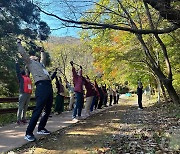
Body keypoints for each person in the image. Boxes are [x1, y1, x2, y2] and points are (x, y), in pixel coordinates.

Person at [17, 39, 56, 142]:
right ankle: (28, 133)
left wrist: (42, 50)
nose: (36, 57)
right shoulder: (30, 63)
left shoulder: (41, 64)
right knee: (38, 110)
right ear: (30, 58)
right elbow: (23, 53)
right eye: (34, 56)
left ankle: (41, 128)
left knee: (47, 109)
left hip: (48, 86)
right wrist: (19, 43)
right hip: (41, 86)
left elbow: (43, 58)